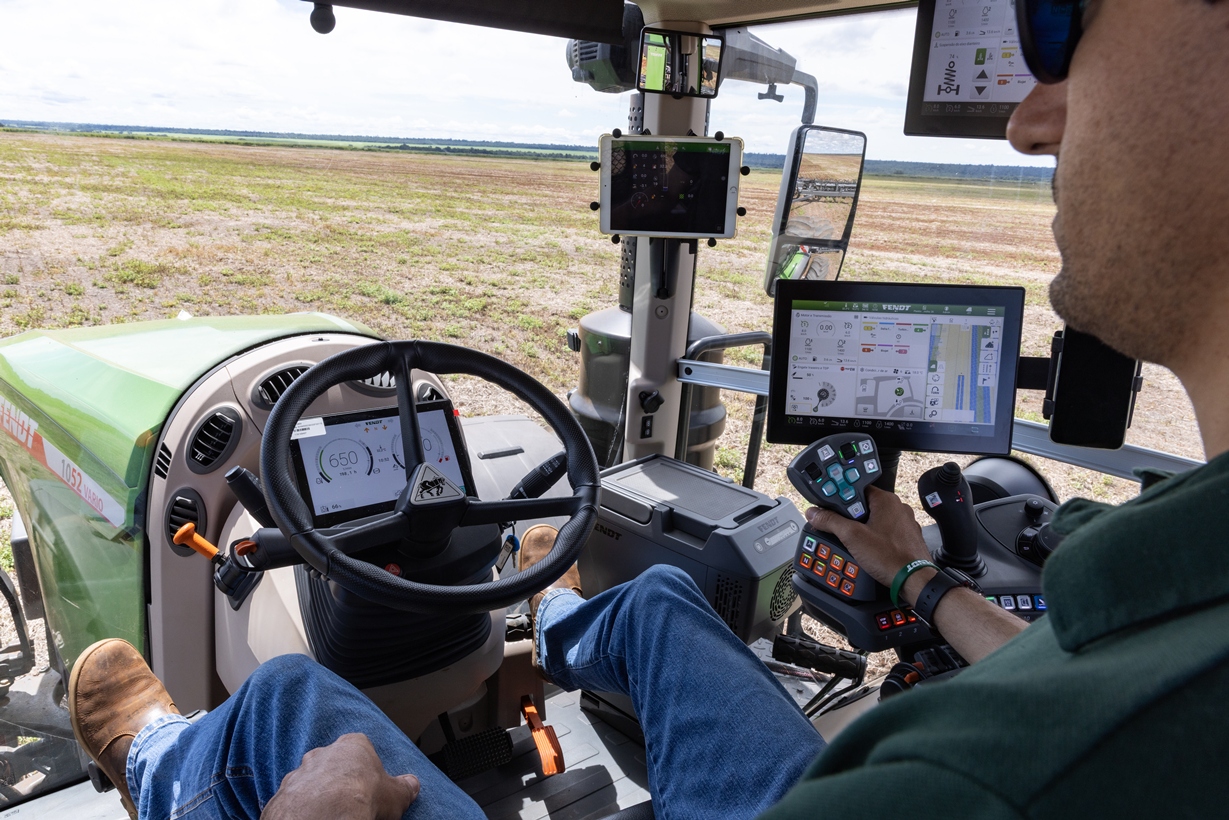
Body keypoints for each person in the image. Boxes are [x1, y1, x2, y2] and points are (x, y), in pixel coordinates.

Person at [69, 0, 1229, 816]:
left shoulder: (973, 782)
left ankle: (156, 759)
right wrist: (919, 578)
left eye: (1061, 21)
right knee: (660, 596)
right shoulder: (1168, 599)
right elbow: (1057, 664)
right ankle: (541, 636)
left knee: (285, 703)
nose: (1027, 118)